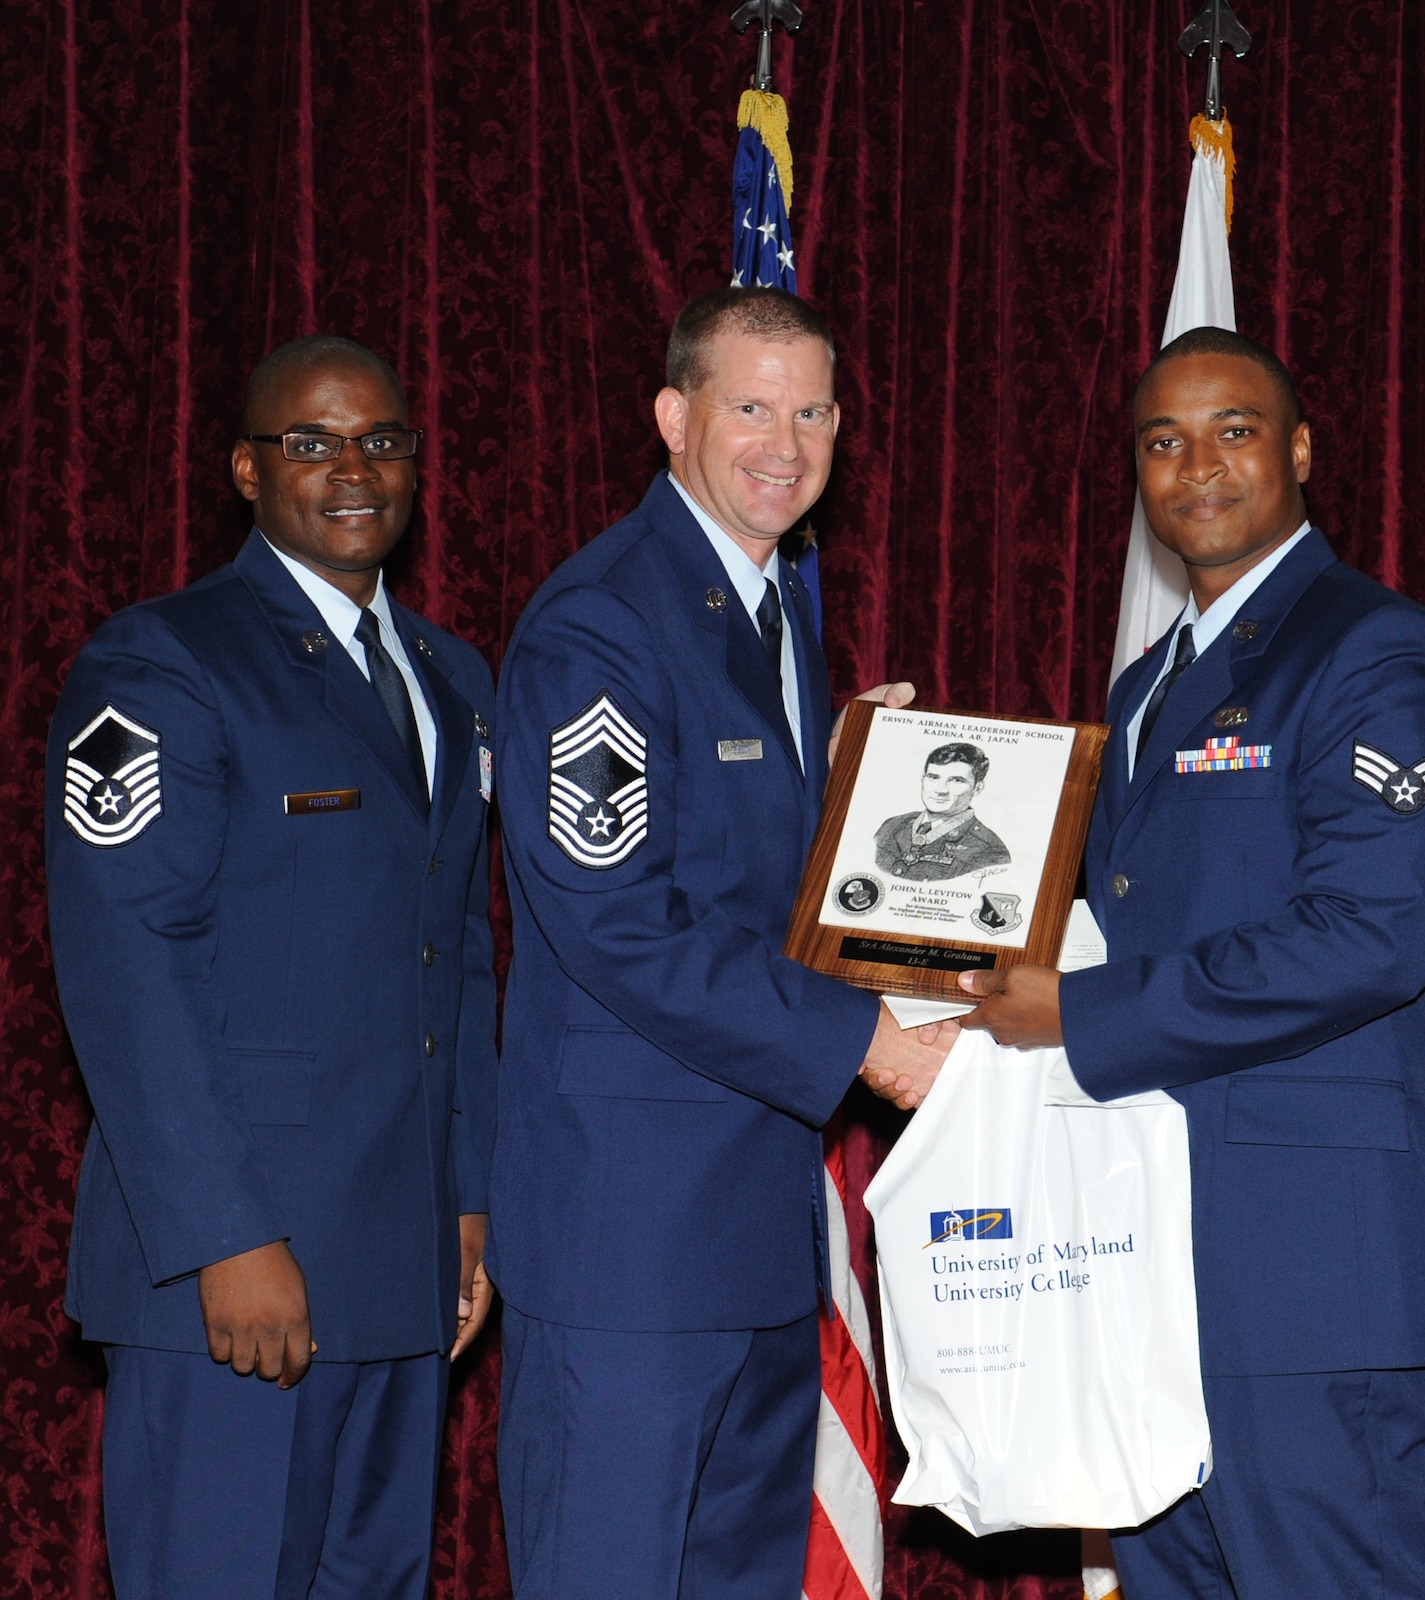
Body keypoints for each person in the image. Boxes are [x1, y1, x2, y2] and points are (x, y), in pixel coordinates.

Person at [960, 326, 1425, 1598]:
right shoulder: (1143, 685)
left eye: (1233, 430)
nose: (1197, 466)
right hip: (1145, 1272)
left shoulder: (1377, 652)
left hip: (1312, 1281)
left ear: (1299, 451)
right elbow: (1106, 917)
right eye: (1161, 441)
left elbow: (1367, 936)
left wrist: (1076, 1015)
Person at [489, 286, 951, 1600]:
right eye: (750, 406)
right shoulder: (603, 621)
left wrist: (850, 785)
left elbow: (738, 854)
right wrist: (868, 1037)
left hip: (753, 1238)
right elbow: (622, 922)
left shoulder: (774, 607)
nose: (784, 443)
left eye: (811, 412)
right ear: (674, 415)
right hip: (628, 1245)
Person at [45, 335, 500, 1599]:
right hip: (237, 1282)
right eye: (311, 441)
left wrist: (465, 1201)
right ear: (247, 469)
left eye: (383, 440)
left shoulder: (454, 681)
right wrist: (224, 1238)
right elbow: (127, 962)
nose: (354, 468)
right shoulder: (159, 662)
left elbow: (456, 954)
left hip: (400, 1267)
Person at [873, 740, 1012, 880]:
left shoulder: (989, 851)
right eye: (933, 777)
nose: (940, 790)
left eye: (956, 780)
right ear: (923, 779)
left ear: (977, 788)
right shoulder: (892, 826)